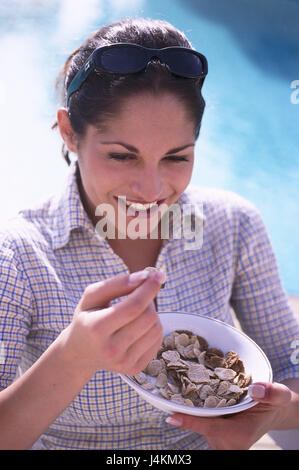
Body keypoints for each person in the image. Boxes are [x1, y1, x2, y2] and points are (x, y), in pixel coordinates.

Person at [0, 17, 298, 451]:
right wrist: (73, 358)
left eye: (176, 157)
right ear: (69, 132)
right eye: (122, 156)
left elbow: (290, 361)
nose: (152, 191)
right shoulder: (19, 254)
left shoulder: (233, 225)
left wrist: (273, 412)